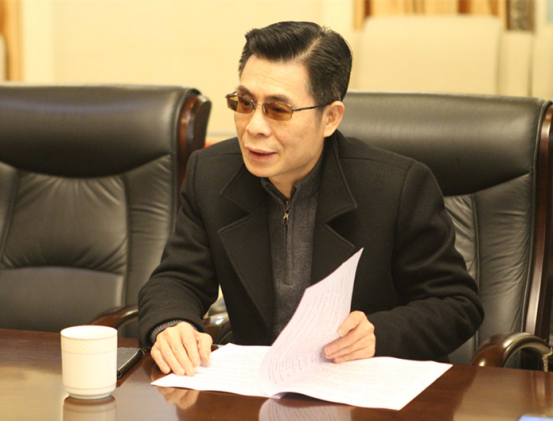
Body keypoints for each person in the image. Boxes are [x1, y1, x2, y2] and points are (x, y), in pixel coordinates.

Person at [139, 21, 484, 377]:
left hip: (363, 387)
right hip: (254, 388)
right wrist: (172, 323)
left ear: (330, 118)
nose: (254, 127)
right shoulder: (211, 174)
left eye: (278, 110)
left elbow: (456, 305)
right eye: (245, 103)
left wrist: (379, 333)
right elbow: (177, 279)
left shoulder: (396, 186)